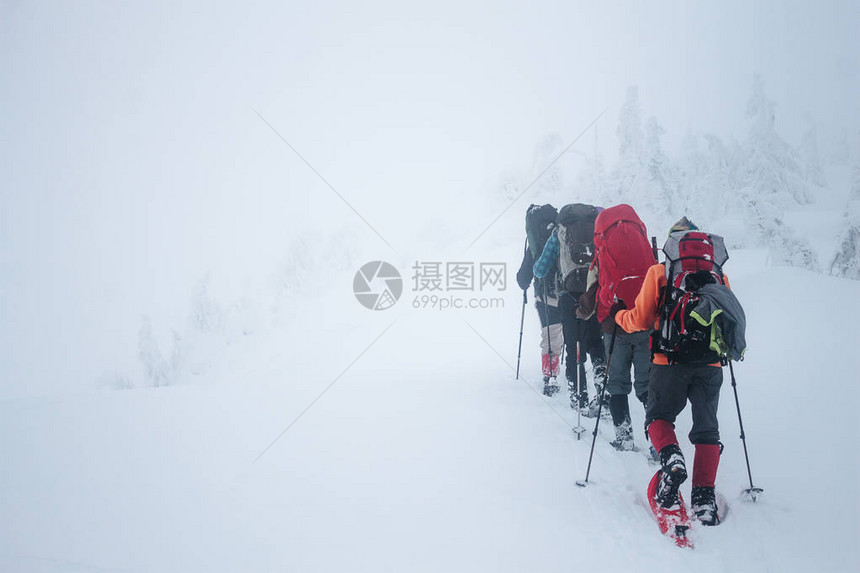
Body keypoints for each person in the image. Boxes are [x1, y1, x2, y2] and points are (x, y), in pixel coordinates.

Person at [613, 217, 741, 526]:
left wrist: (619, 316)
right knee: (707, 429)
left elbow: (641, 321)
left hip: (667, 362)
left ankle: (671, 459)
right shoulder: (719, 277)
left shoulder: (660, 272)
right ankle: (704, 498)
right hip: (710, 365)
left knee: (659, 418)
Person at [577, 204, 655, 451]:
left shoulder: (601, 254)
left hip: (614, 327)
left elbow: (591, 298)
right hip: (645, 322)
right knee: (647, 386)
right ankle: (656, 440)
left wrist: (580, 312)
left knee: (618, 383)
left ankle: (624, 435)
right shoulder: (645, 248)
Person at [533, 203, 607, 414]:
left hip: (569, 296)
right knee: (595, 341)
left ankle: (578, 398)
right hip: (595, 292)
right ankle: (602, 381)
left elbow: (539, 269)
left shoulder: (559, 232)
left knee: (574, 345)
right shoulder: (597, 229)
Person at [517, 204, 564, 395]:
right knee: (575, 334)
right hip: (572, 293)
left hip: (546, 295)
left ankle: (551, 377)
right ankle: (577, 373)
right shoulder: (563, 232)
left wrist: (525, 284)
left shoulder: (535, 241)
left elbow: (523, 278)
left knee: (551, 337)